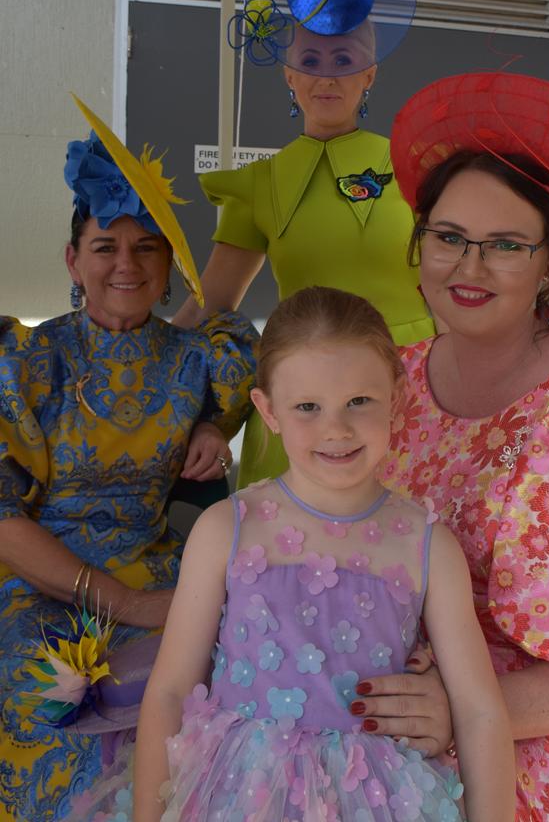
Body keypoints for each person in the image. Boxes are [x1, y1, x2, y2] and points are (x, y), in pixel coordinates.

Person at [98, 285, 512, 822]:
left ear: (398, 398)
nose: (335, 429)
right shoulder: (227, 528)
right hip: (237, 796)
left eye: (358, 402)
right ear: (268, 412)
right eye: (307, 407)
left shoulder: (429, 543)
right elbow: (171, 692)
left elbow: (480, 712)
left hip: (380, 801)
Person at [357, 72, 549, 819]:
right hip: (392, 703)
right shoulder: (393, 379)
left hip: (539, 742)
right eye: (448, 237)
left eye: (506, 246)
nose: (469, 266)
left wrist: (459, 707)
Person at [0, 98, 258, 822]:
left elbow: (264, 389)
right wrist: (130, 606)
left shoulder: (201, 357)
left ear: (169, 263)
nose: (126, 263)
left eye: (146, 246)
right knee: (44, 693)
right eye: (105, 245)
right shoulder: (26, 360)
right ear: (72, 258)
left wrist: (213, 422)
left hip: (159, 556)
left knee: (242, 670)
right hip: (42, 575)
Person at [173, 0, 434, 486]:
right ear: (289, 74)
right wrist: (128, 352)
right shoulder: (260, 184)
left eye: (343, 60)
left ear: (369, 74)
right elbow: (212, 299)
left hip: (411, 390)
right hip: (304, 393)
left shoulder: (418, 167)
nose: (327, 75)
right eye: (311, 60)